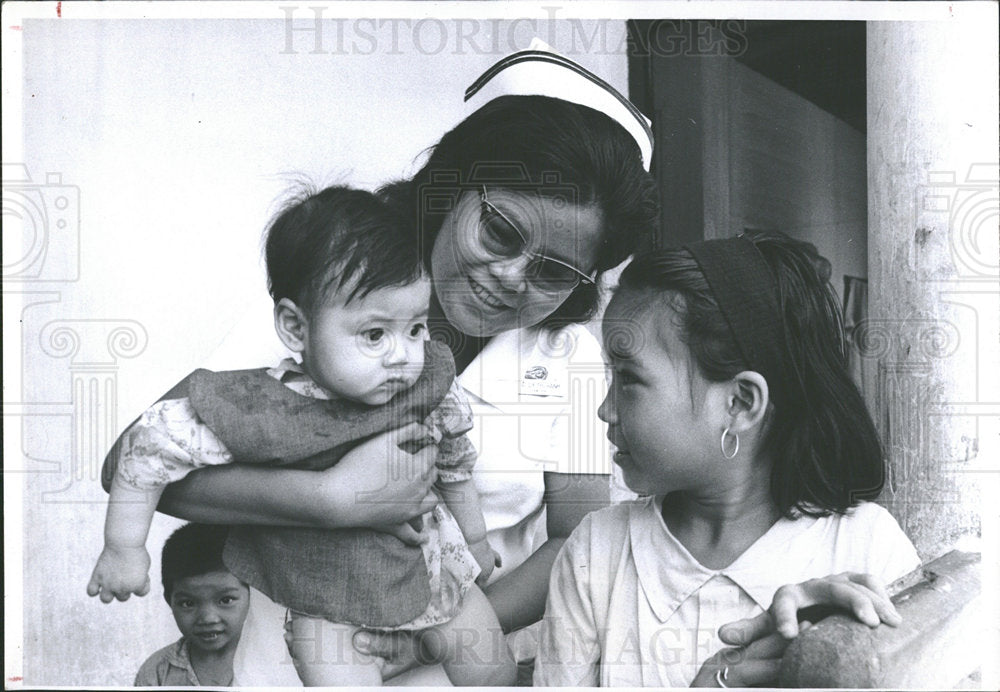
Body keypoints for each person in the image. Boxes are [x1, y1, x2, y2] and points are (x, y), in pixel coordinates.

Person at [101, 42, 660, 684]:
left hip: (458, 659)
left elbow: (571, 540)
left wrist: (428, 637)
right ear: (453, 185)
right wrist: (328, 499)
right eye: (501, 232)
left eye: (553, 271)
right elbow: (129, 460)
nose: (509, 277)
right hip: (295, 659)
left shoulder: (568, 361)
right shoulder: (330, 306)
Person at [91, 185, 514, 686]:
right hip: (324, 596)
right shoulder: (264, 408)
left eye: (417, 328)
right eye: (375, 334)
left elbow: (456, 463)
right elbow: (148, 446)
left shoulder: (427, 387)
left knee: (496, 673)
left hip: (436, 569)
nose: (403, 355)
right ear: (295, 327)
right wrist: (124, 546)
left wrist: (477, 540)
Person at [533, 232, 922, 687]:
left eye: (629, 378)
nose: (606, 409)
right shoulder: (596, 553)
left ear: (739, 403)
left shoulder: (867, 550)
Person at [134, 523, 250, 687]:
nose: (208, 618)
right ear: (169, 601)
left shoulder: (275, 663)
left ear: (251, 596)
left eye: (225, 600)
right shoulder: (157, 672)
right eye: (188, 603)